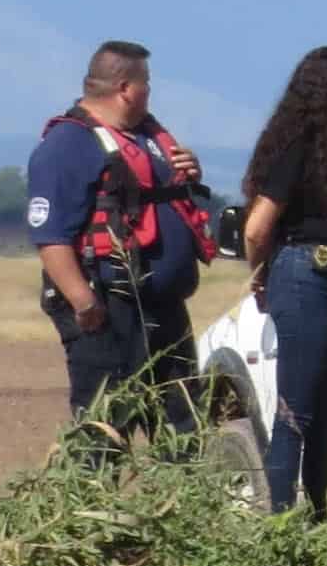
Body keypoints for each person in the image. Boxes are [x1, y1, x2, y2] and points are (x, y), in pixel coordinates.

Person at [25, 39, 218, 450]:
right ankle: (91, 493)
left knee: (184, 430)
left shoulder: (148, 137)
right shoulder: (67, 145)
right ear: (126, 88)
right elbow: (50, 237)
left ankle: (185, 490)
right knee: (104, 432)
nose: (150, 91)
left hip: (163, 307)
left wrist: (191, 173)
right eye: (146, 82)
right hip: (108, 310)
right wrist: (84, 303)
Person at [234, 47, 327, 518]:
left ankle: (317, 521)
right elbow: (257, 229)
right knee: (296, 414)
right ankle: (279, 524)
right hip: (302, 274)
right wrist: (261, 279)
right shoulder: (298, 144)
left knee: (326, 417)